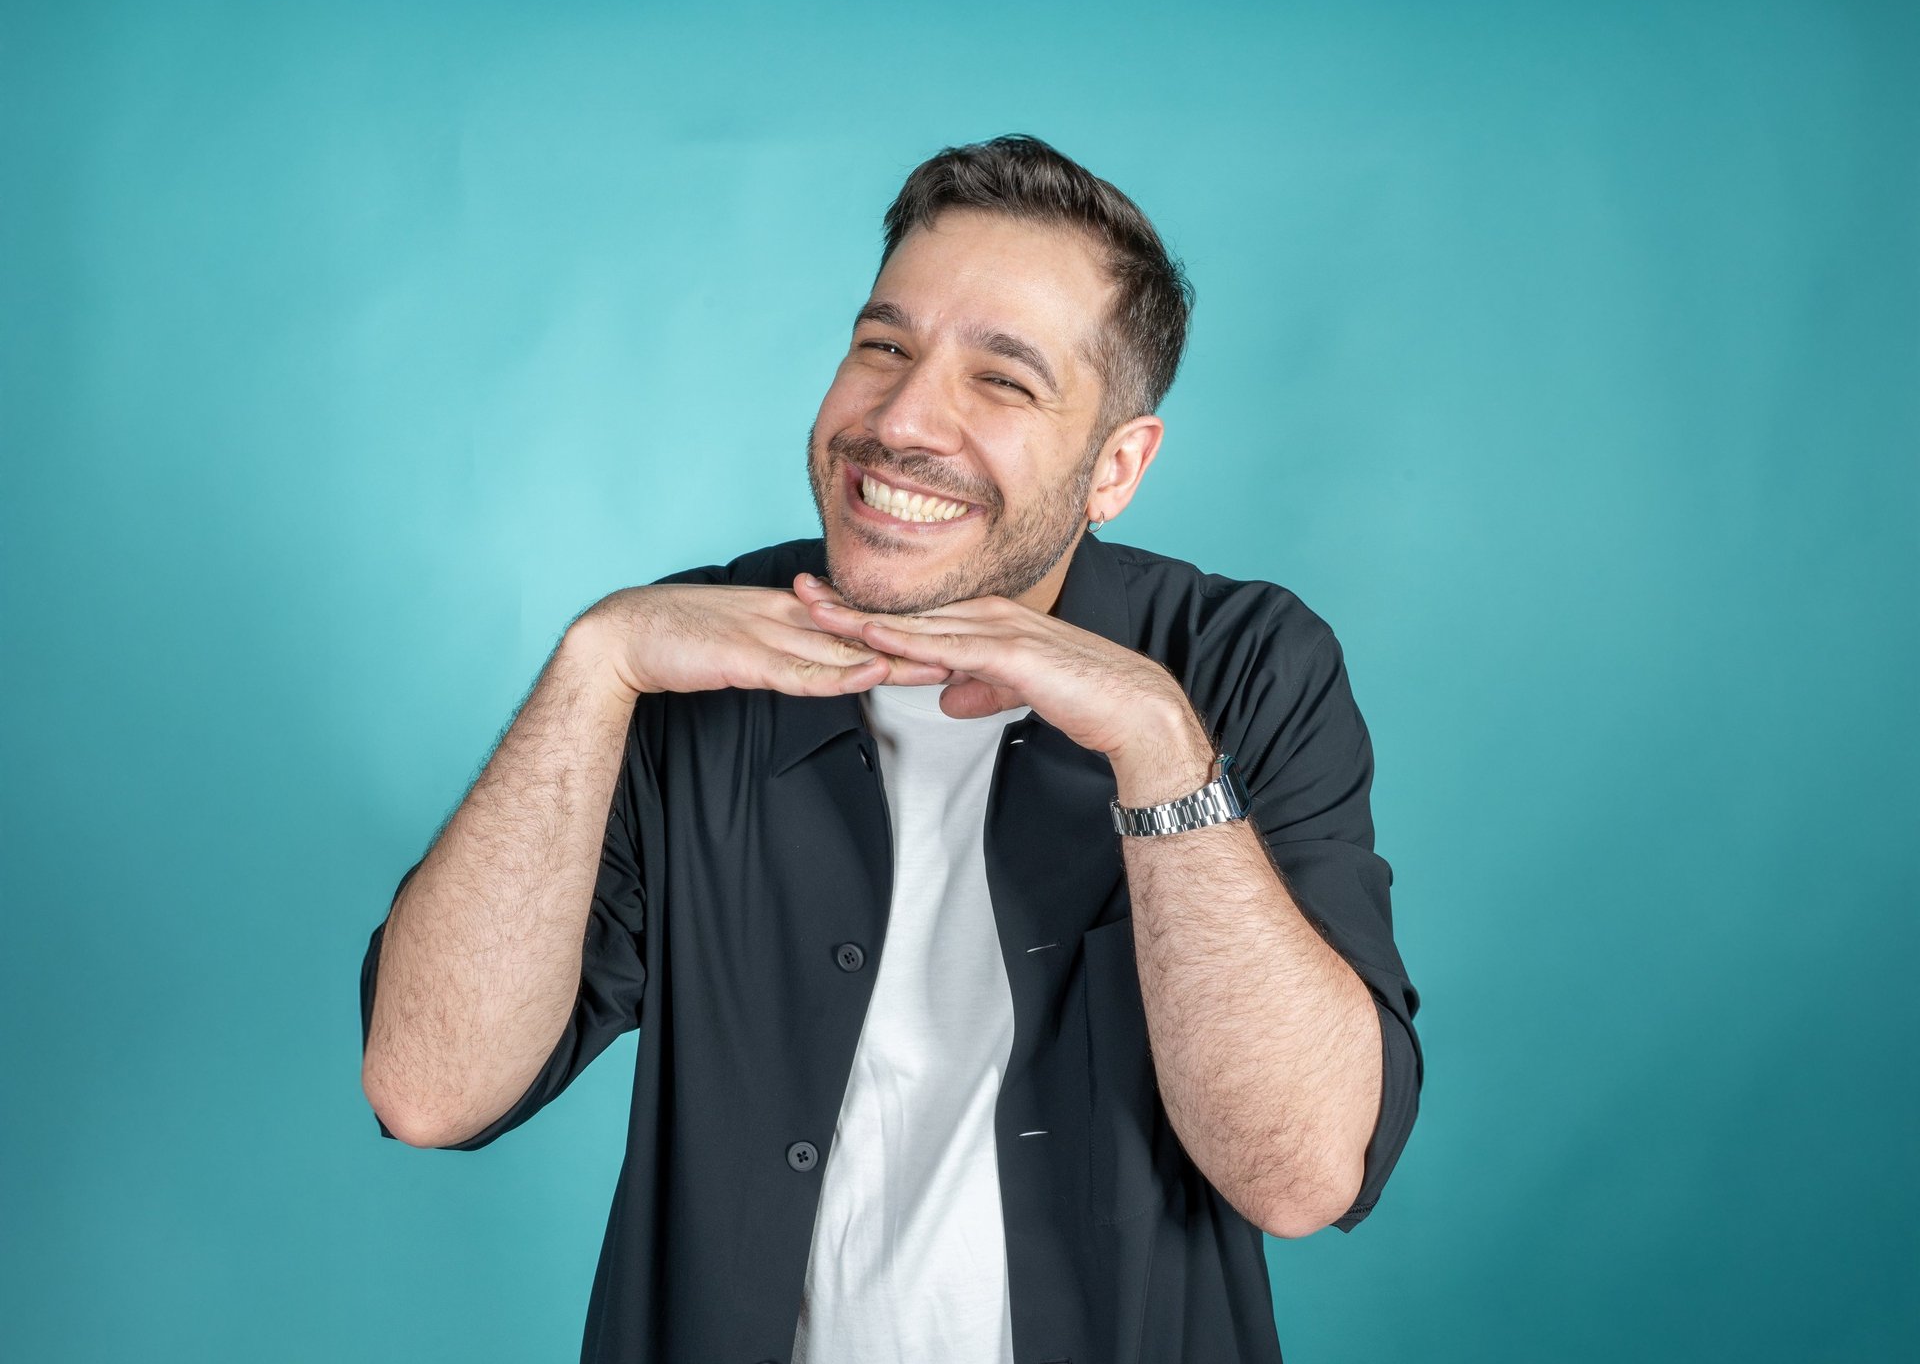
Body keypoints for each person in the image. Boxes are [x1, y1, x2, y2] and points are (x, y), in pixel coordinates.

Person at [358, 133, 1423, 1364]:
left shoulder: (1240, 668)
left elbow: (1299, 1172)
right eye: (884, 346)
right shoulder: (686, 659)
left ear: (1116, 467)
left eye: (1004, 379)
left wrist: (1157, 748)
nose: (905, 418)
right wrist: (593, 663)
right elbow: (429, 1086)